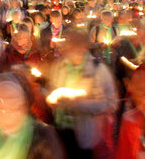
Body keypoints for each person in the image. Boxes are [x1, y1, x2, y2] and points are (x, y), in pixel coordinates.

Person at [47, 29, 118, 157]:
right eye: (70, 44)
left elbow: (110, 102)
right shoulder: (59, 65)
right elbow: (52, 89)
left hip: (83, 133)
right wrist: (51, 100)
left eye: (76, 44)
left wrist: (78, 105)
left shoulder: (97, 69)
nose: (72, 48)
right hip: (61, 129)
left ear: (85, 46)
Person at [0, 73, 65, 159]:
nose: (6, 107)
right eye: (0, 101)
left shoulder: (43, 136)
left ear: (23, 104)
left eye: (12, 100)